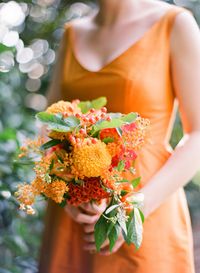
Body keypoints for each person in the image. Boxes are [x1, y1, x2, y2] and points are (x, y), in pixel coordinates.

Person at [39, 0, 200, 272]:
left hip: (145, 211)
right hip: (74, 214)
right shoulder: (72, 33)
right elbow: (49, 122)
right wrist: (63, 193)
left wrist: (133, 210)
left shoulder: (174, 24)